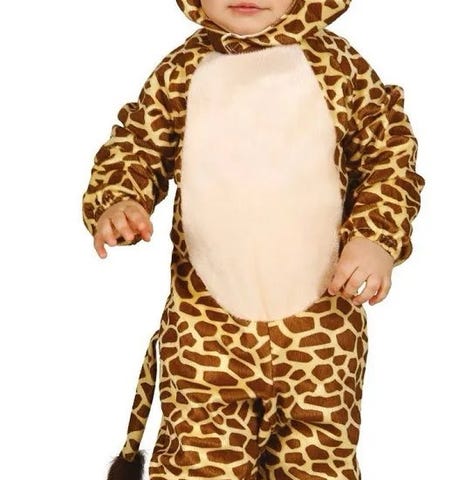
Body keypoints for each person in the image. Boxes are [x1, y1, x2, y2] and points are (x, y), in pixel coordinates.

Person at [82, 1, 425, 479]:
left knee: (318, 463)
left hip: (323, 331)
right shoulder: (181, 72)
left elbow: (389, 153)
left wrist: (375, 236)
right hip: (205, 329)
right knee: (197, 462)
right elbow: (135, 147)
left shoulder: (340, 67)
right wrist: (119, 200)